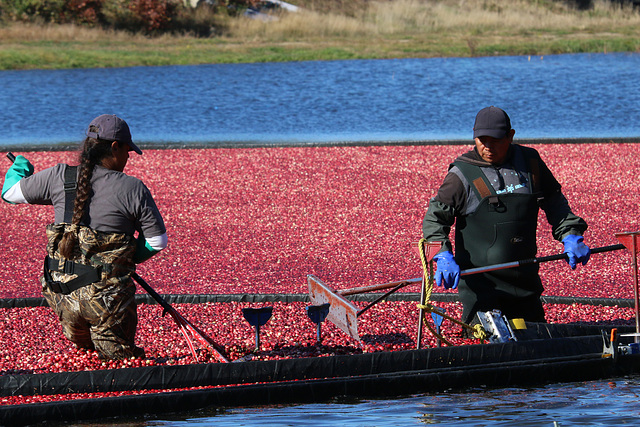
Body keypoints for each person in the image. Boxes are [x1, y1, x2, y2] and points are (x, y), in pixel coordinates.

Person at [1, 114, 167, 359]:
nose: (128, 157)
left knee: (87, 354)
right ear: (114, 147)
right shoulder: (132, 188)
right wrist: (125, 259)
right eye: (127, 150)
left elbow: (10, 194)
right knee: (120, 364)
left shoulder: (58, 176)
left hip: (63, 299)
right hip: (106, 305)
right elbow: (157, 241)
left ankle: (88, 346)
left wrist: (19, 169)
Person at [422, 106, 590, 326]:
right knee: (487, 342)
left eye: (496, 140)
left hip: (525, 281)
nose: (488, 147)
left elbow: (554, 202)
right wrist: (442, 255)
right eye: (482, 140)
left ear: (510, 136)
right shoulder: (462, 174)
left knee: (533, 341)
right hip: (483, 288)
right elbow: (434, 220)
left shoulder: (530, 164)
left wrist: (571, 234)